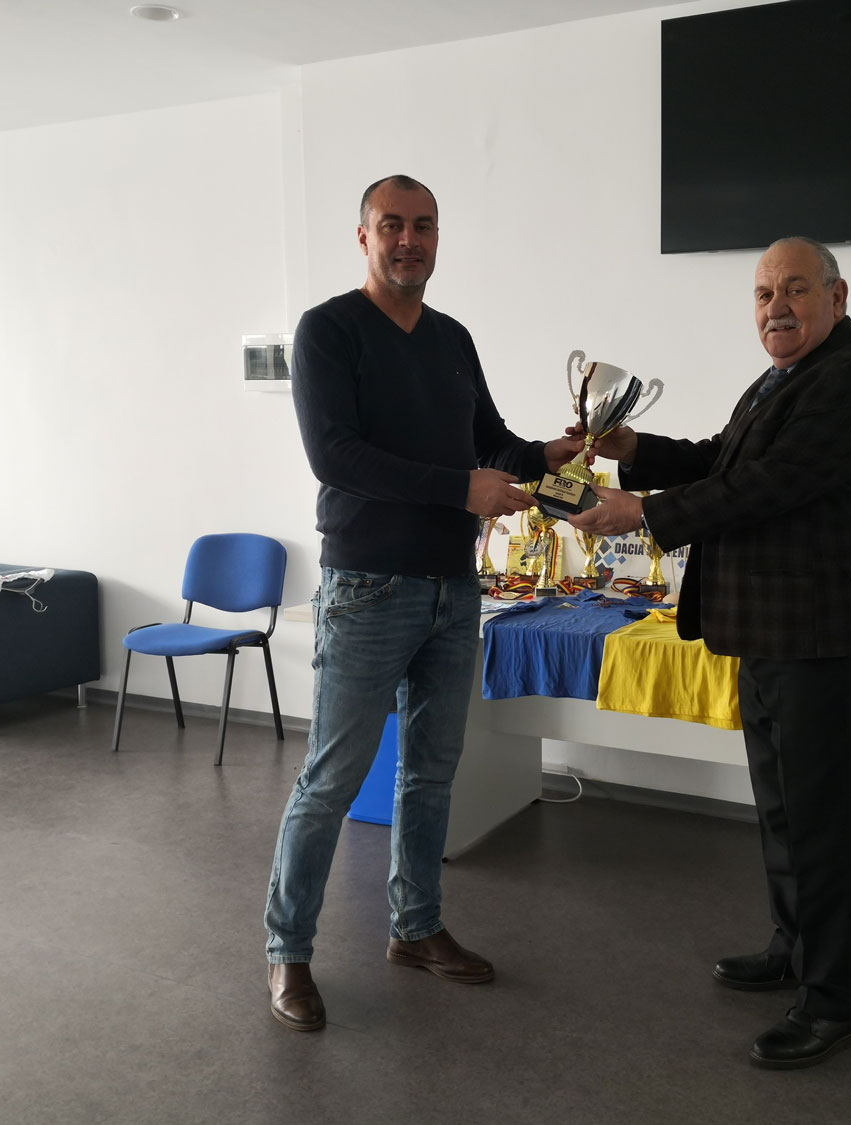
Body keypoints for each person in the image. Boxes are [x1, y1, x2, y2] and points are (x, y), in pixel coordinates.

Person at [566, 237, 851, 1069]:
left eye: (794, 289)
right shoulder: (785, 377)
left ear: (838, 295)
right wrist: (634, 449)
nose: (775, 307)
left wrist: (641, 510)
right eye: (762, 293)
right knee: (784, 813)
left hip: (821, 641)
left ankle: (833, 1003)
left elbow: (767, 487)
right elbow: (725, 457)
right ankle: (795, 946)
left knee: (820, 827)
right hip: (771, 635)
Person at [265, 174, 582, 1032]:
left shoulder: (451, 338)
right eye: (393, 225)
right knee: (331, 779)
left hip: (453, 588)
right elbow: (337, 456)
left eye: (425, 226)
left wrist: (558, 453)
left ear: (438, 239)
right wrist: (461, 489)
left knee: (431, 773)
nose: (410, 240)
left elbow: (494, 445)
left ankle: (415, 926)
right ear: (362, 237)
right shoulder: (328, 331)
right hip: (368, 588)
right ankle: (289, 954)